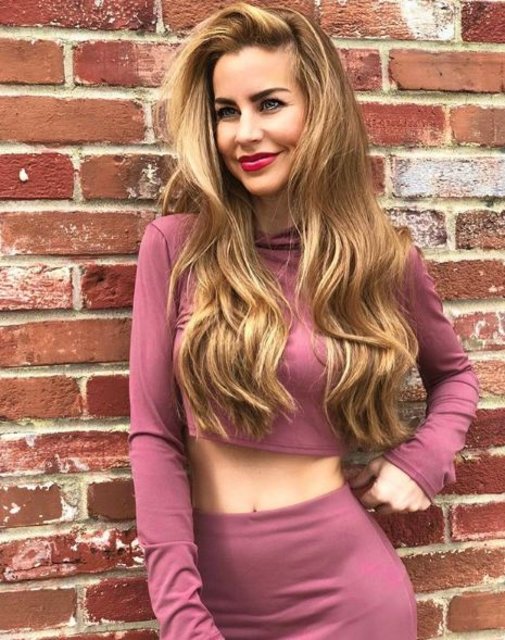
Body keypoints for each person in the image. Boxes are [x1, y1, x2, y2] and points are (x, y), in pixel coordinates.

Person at [128, 3, 480, 639]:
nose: (244, 133)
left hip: (350, 599)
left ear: (319, 111)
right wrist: (182, 618)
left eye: (269, 104)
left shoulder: (379, 258)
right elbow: (154, 439)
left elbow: (455, 376)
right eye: (226, 111)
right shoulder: (176, 247)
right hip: (214, 600)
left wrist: (423, 460)